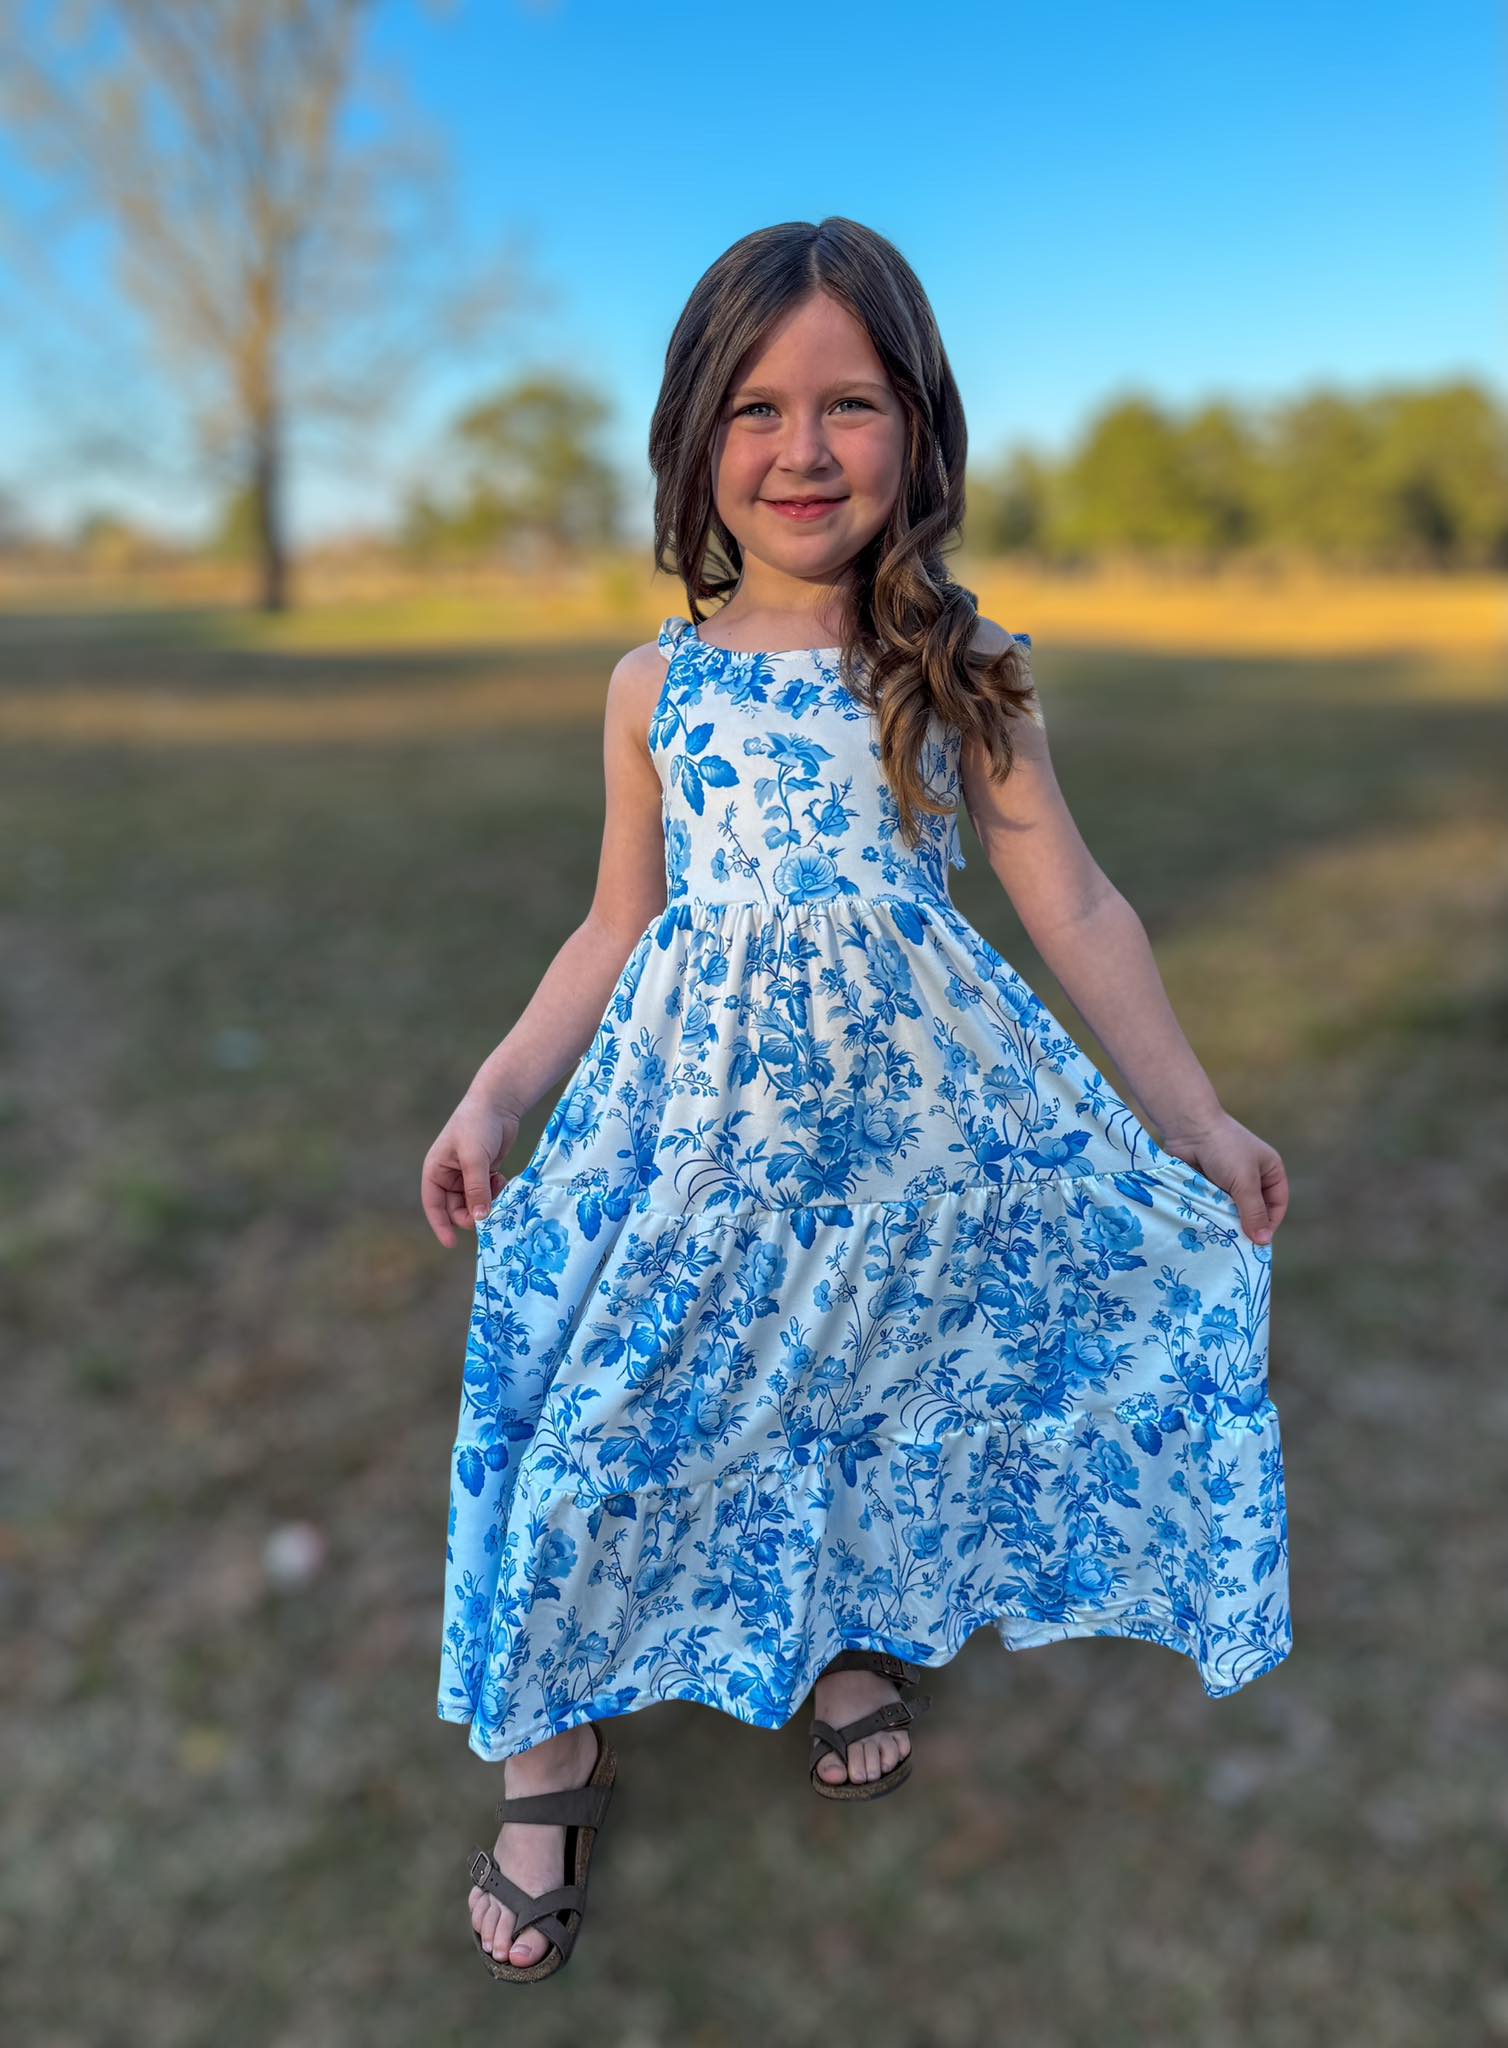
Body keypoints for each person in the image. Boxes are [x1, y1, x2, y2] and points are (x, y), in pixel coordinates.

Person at [421, 217, 1293, 1980]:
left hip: (912, 1142)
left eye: (849, 403)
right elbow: (614, 924)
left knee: (860, 1402)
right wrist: (500, 1092)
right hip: (697, 1147)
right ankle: (552, 1752)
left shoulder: (960, 669)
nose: (802, 449)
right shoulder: (655, 686)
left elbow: (1075, 905)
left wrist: (1194, 1117)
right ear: (695, 439)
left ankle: (840, 1633)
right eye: (756, 408)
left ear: (917, 425)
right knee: (601, 1422)